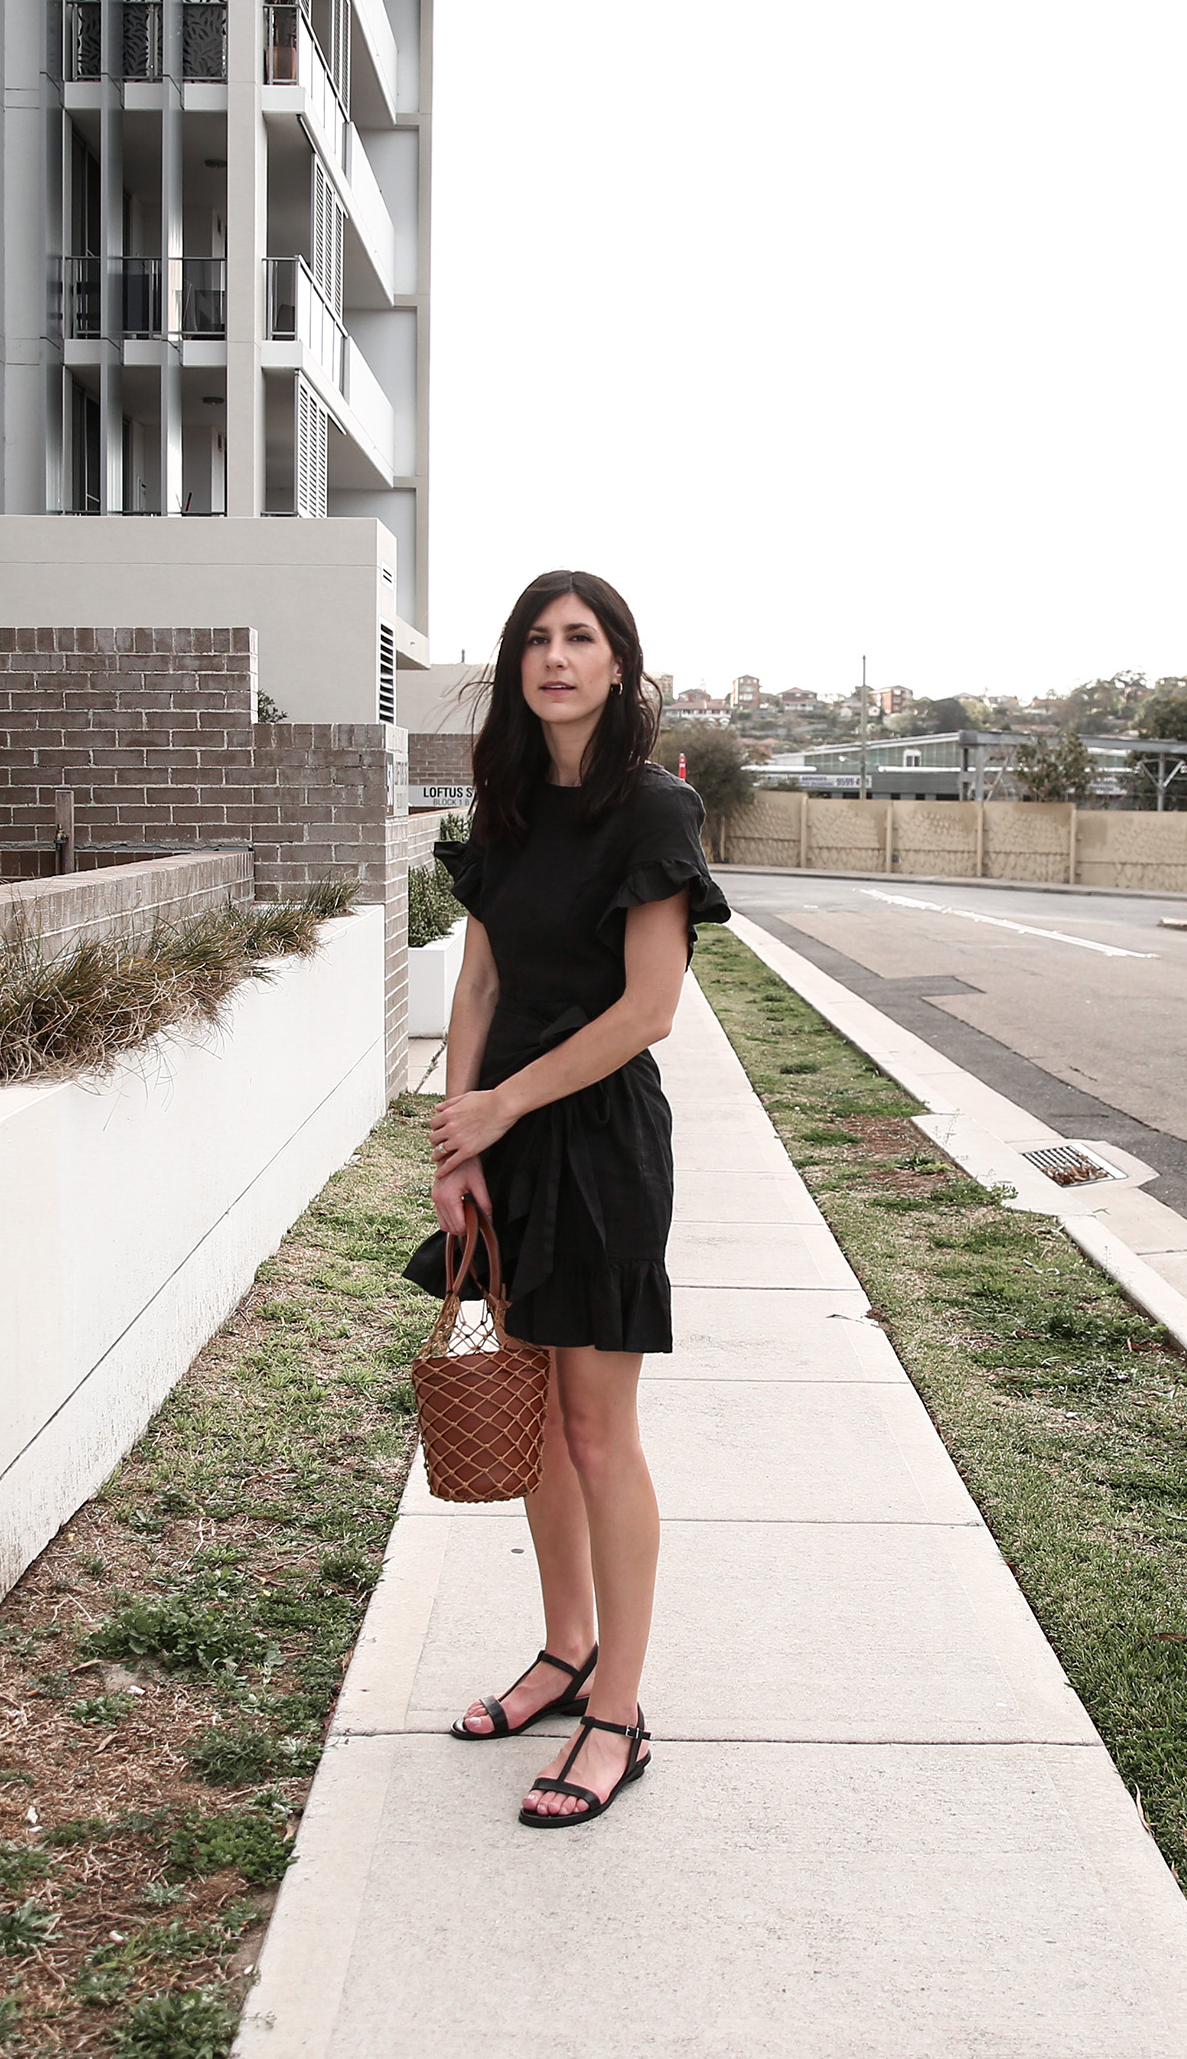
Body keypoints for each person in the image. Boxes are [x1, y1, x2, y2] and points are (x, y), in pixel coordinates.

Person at [407, 569, 729, 1830]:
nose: (554, 658)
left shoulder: (650, 810)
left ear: (616, 664)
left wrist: (504, 1106)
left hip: (596, 1144)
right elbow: (479, 984)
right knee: (533, 1418)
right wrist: (458, 1134)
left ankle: (621, 1713)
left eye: (578, 638)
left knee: (598, 1434)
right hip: (508, 1143)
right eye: (535, 639)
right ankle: (564, 1650)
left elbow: (649, 1010)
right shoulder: (503, 805)